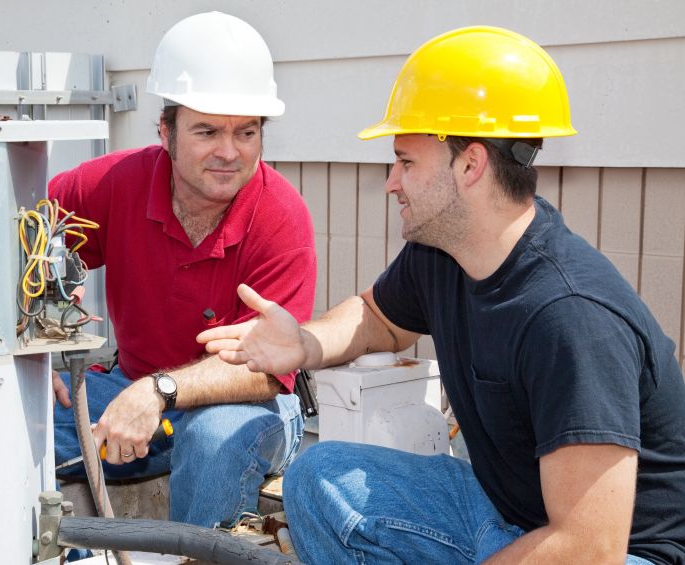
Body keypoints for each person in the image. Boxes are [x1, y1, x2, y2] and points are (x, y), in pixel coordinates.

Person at [198, 26, 685, 564]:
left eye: (406, 161)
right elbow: (377, 317)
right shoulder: (445, 253)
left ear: (470, 165)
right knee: (318, 475)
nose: (391, 181)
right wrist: (305, 345)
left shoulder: (570, 318)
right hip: (506, 510)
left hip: (621, 554)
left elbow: (588, 547)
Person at [50, 11, 316, 529]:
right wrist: (31, 352)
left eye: (246, 132)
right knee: (19, 415)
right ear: (166, 133)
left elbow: (264, 373)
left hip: (244, 404)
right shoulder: (116, 184)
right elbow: (20, 236)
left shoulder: (282, 217)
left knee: (215, 438)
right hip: (128, 386)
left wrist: (157, 393)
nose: (228, 152)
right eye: (207, 131)